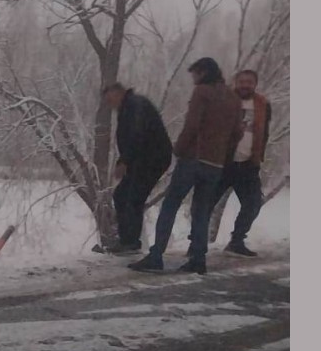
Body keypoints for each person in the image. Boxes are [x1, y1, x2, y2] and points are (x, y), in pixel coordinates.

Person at [129, 58, 243, 275]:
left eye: (194, 75)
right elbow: (237, 133)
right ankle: (198, 260)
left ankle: (156, 256)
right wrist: (224, 156)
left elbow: (192, 124)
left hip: (194, 158)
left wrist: (179, 149)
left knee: (170, 205)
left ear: (202, 73)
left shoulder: (202, 92)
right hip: (215, 164)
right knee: (201, 211)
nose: (193, 80)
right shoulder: (233, 98)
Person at [100, 83, 172, 255]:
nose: (110, 105)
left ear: (118, 93)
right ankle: (127, 240)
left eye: (110, 99)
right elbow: (129, 139)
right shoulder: (127, 107)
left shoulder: (134, 105)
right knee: (121, 195)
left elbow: (136, 133)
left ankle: (130, 242)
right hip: (141, 159)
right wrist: (123, 161)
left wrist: (124, 161)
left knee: (133, 197)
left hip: (152, 158)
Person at [213, 69, 272, 257]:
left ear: (255, 84)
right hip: (223, 162)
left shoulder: (263, 104)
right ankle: (195, 243)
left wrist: (258, 156)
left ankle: (237, 240)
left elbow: (265, 132)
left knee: (253, 203)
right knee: (205, 203)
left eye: (249, 81)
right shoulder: (224, 100)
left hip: (248, 163)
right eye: (242, 81)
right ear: (235, 82)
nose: (245, 85)